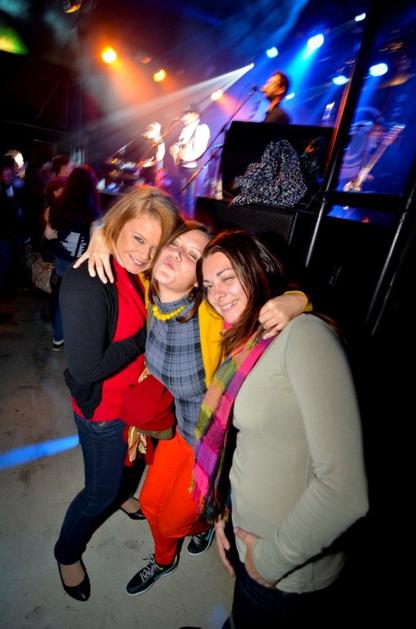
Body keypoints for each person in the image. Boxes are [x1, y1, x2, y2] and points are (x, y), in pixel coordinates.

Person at [78, 222, 308, 598]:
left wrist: (297, 300)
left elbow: (263, 294)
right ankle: (174, 550)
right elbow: (122, 227)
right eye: (175, 244)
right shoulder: (152, 290)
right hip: (176, 433)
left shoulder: (211, 313)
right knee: (149, 504)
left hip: (208, 442)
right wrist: (101, 233)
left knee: (171, 522)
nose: (176, 254)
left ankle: (191, 535)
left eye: (192, 255)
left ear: (199, 281)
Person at [192, 230, 369, 628]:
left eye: (227, 277)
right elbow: (238, 443)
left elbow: (345, 491)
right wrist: (222, 515)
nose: (217, 293)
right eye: (208, 285)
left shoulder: (305, 336)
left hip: (286, 568)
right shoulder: (247, 337)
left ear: (258, 269)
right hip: (247, 535)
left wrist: (269, 562)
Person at [54, 187, 181, 602]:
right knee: (98, 492)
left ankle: (122, 495)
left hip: (135, 404)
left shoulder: (137, 268)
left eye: (155, 246)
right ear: (119, 225)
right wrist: (145, 337)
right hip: (104, 413)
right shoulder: (87, 281)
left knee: (128, 468)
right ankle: (66, 552)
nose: (145, 255)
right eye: (138, 239)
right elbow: (86, 369)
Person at [46, 164, 101, 351]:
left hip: (61, 260)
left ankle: (58, 337)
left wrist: (64, 234)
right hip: (81, 263)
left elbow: (49, 235)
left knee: (60, 298)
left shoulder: (59, 205)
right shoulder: (94, 210)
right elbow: (95, 241)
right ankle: (76, 339)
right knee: (78, 301)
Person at [169, 103, 210, 218]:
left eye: (186, 114)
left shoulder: (202, 128)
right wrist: (175, 154)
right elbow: (180, 151)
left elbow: (198, 152)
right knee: (183, 197)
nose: (183, 117)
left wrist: (181, 155)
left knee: (192, 199)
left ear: (195, 115)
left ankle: (192, 222)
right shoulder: (184, 130)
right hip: (184, 168)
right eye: (183, 114)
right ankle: (184, 220)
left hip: (195, 169)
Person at [139, 121, 166, 186]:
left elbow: (158, 160)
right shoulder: (150, 140)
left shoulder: (160, 143)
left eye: (151, 130)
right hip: (147, 168)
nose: (148, 131)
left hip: (154, 170)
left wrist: (149, 164)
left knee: (150, 186)